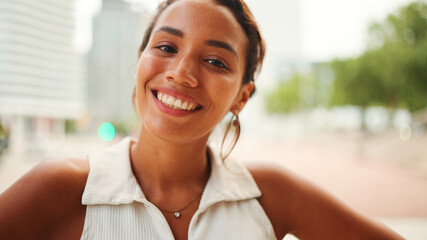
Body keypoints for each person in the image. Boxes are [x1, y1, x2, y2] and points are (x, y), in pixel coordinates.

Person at [0, 0, 403, 239]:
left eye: (214, 61)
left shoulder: (272, 194)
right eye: (165, 46)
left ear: (241, 98)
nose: (181, 73)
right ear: (139, 61)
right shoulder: (59, 188)